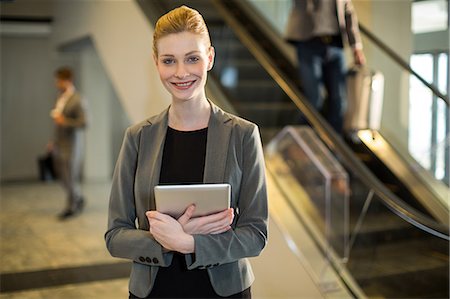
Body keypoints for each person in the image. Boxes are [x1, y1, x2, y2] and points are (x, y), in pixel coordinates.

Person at [105, 5, 268, 299]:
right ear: (156, 63)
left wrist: (189, 243)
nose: (181, 73)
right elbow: (115, 236)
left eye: (192, 58)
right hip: (154, 291)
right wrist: (166, 243)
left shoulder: (243, 135)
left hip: (224, 291)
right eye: (169, 60)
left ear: (210, 58)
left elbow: (256, 235)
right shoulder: (137, 138)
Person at [285, 0, 366, 134]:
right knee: (314, 98)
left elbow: (348, 11)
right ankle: (298, 139)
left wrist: (356, 47)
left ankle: (334, 147)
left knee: (339, 100)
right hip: (309, 43)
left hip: (335, 46)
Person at [49, 66, 87, 220]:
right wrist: (53, 141)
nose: (57, 83)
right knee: (61, 174)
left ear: (68, 80)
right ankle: (78, 197)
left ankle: (71, 207)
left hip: (72, 144)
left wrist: (64, 121)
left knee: (70, 176)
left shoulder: (78, 99)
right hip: (60, 142)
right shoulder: (61, 97)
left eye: (59, 80)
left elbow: (84, 123)